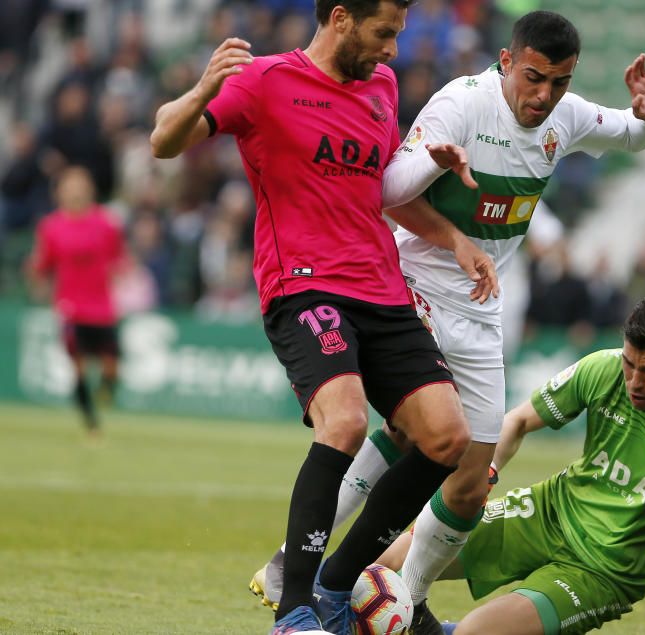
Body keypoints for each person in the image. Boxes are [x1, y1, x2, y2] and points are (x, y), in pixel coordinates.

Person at [247, 11, 645, 633]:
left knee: (470, 481)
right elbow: (388, 188)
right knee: (410, 431)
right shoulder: (462, 103)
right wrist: (436, 163)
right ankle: (306, 572)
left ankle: (395, 595)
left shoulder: (567, 116)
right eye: (533, 78)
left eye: (559, 82)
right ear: (506, 61)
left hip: (479, 305)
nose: (544, 95)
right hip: (410, 284)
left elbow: (630, 133)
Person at [149, 1, 499, 633]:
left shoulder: (381, 87)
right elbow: (164, 141)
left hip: (382, 290)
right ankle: (294, 611)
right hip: (304, 285)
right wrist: (202, 89)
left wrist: (454, 239)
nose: (393, 50)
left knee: (448, 437)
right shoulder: (264, 80)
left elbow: (381, 193)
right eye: (384, 33)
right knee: (345, 422)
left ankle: (336, 586)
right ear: (341, 18)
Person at [379, 293, 645, 635]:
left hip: (604, 571)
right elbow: (517, 421)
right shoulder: (603, 369)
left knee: (475, 632)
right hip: (548, 513)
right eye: (630, 363)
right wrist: (488, 471)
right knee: (386, 569)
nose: (634, 382)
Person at [26, 166, 126, 436]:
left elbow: (117, 257)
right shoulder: (51, 226)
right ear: (59, 192)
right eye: (70, 185)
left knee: (112, 366)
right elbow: (43, 263)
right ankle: (91, 422)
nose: (75, 191)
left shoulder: (106, 223)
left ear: (90, 189)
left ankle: (106, 389)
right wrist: (37, 279)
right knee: (78, 365)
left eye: (80, 184)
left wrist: (118, 277)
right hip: (71, 307)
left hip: (102, 307)